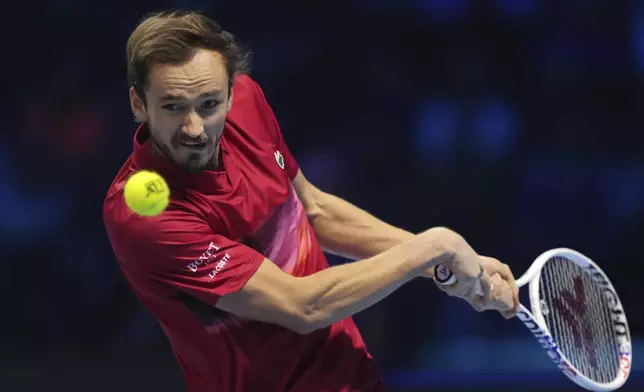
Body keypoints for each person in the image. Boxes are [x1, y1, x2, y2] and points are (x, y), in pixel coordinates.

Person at [103, 10, 519, 392]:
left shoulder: (248, 104)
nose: (194, 127)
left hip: (350, 375)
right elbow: (301, 304)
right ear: (139, 103)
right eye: (173, 107)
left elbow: (315, 211)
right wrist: (433, 246)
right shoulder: (142, 216)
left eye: (209, 104)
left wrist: (446, 265)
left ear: (231, 93)